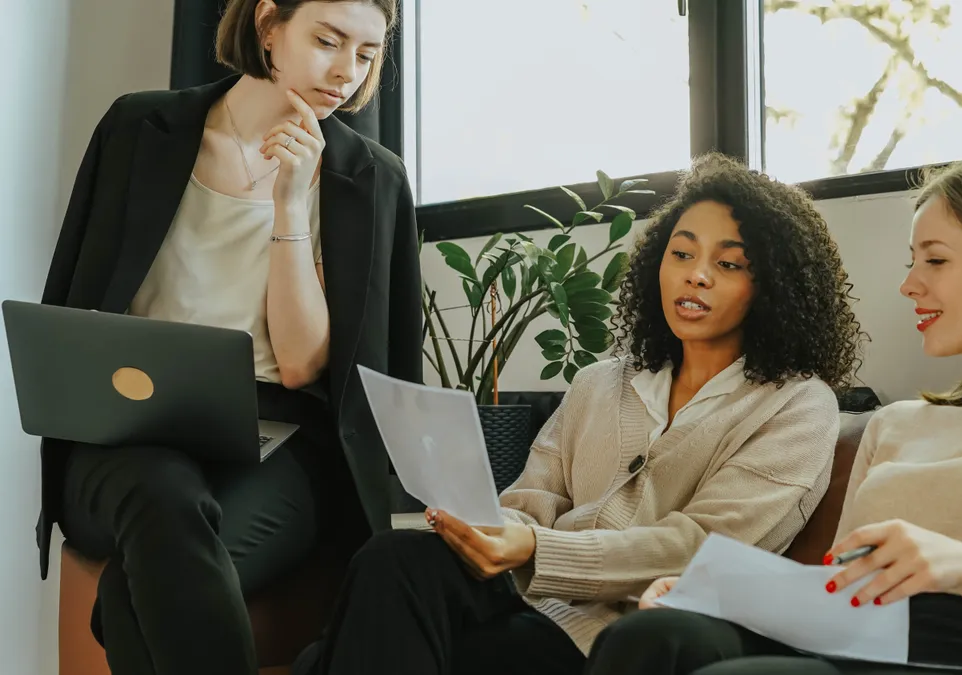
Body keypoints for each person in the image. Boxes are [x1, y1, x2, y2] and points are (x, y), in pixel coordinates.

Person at [586, 153, 962, 675]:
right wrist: (716, 591)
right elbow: (835, 598)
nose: (909, 285)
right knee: (650, 636)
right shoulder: (897, 425)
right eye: (911, 260)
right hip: (855, 644)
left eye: (936, 260)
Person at [293, 153, 867, 675]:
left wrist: (538, 550)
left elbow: (700, 549)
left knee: (337, 655)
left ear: (774, 287)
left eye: (730, 264)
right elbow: (533, 500)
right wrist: (493, 529)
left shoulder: (796, 405)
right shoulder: (600, 381)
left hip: (615, 631)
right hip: (523, 595)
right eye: (683, 253)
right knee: (395, 556)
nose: (697, 274)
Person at [37, 1, 421, 674]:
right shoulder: (138, 129)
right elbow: (76, 300)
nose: (345, 73)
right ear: (268, 25)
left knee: (137, 587)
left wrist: (291, 205)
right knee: (162, 492)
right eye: (327, 41)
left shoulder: (368, 179)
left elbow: (302, 365)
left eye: (366, 55)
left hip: (280, 443)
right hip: (126, 434)